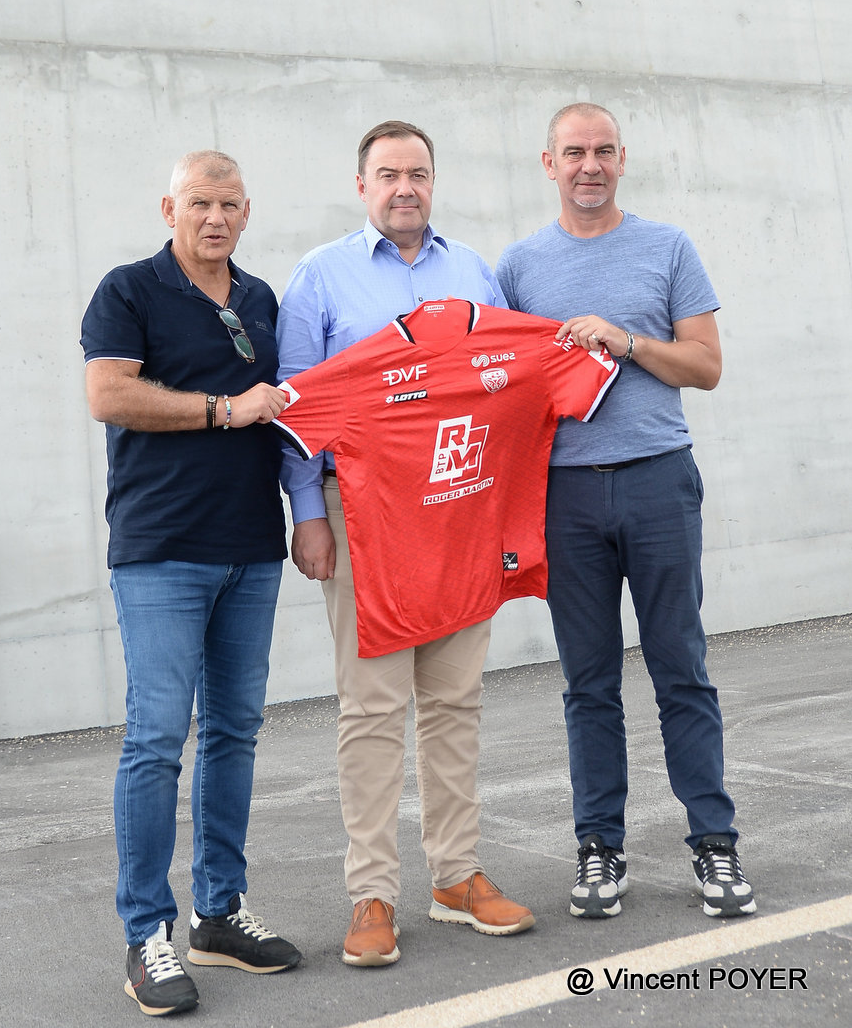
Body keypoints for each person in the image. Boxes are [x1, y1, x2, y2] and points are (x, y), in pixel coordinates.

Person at [276, 120, 534, 967]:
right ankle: (372, 891)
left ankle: (455, 874)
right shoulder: (321, 275)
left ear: (432, 181)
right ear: (362, 185)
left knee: (455, 699)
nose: (404, 188)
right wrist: (306, 512)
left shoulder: (475, 272)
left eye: (417, 173)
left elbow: (508, 382)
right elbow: (295, 404)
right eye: (387, 174)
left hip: (459, 508)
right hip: (362, 517)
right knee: (374, 706)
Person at [496, 104, 756, 923]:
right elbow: (501, 385)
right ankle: (598, 847)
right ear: (548, 163)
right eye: (574, 151)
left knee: (680, 666)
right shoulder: (518, 267)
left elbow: (705, 365)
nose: (589, 165)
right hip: (563, 494)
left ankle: (713, 841)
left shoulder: (666, 246)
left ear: (620, 158)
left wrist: (626, 341)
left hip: (656, 481)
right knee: (588, 681)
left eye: (603, 150)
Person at [81, 150, 301, 1017]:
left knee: (235, 731)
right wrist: (221, 408)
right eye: (200, 202)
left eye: (230, 204)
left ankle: (218, 912)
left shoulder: (259, 297)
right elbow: (108, 394)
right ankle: (146, 933)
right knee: (156, 738)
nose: (216, 217)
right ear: (169, 207)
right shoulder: (128, 290)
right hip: (161, 548)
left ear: (247, 212)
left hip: (251, 544)